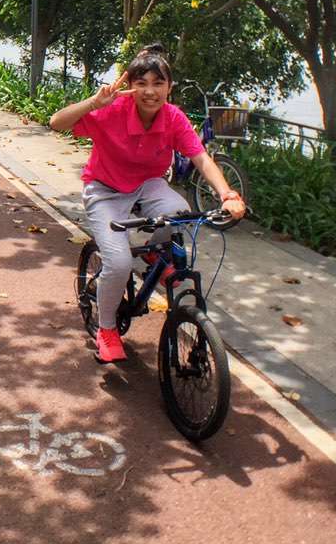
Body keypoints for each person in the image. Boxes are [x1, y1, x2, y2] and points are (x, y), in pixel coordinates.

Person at [48, 43, 246, 365]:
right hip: (105, 189)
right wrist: (94, 102)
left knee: (179, 213)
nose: (150, 91)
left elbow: (201, 159)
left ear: (170, 87)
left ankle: (156, 254)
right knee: (119, 263)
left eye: (158, 83)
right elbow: (56, 122)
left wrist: (228, 194)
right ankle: (107, 329)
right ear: (129, 87)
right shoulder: (112, 110)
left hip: (147, 185)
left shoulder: (174, 117)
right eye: (141, 83)